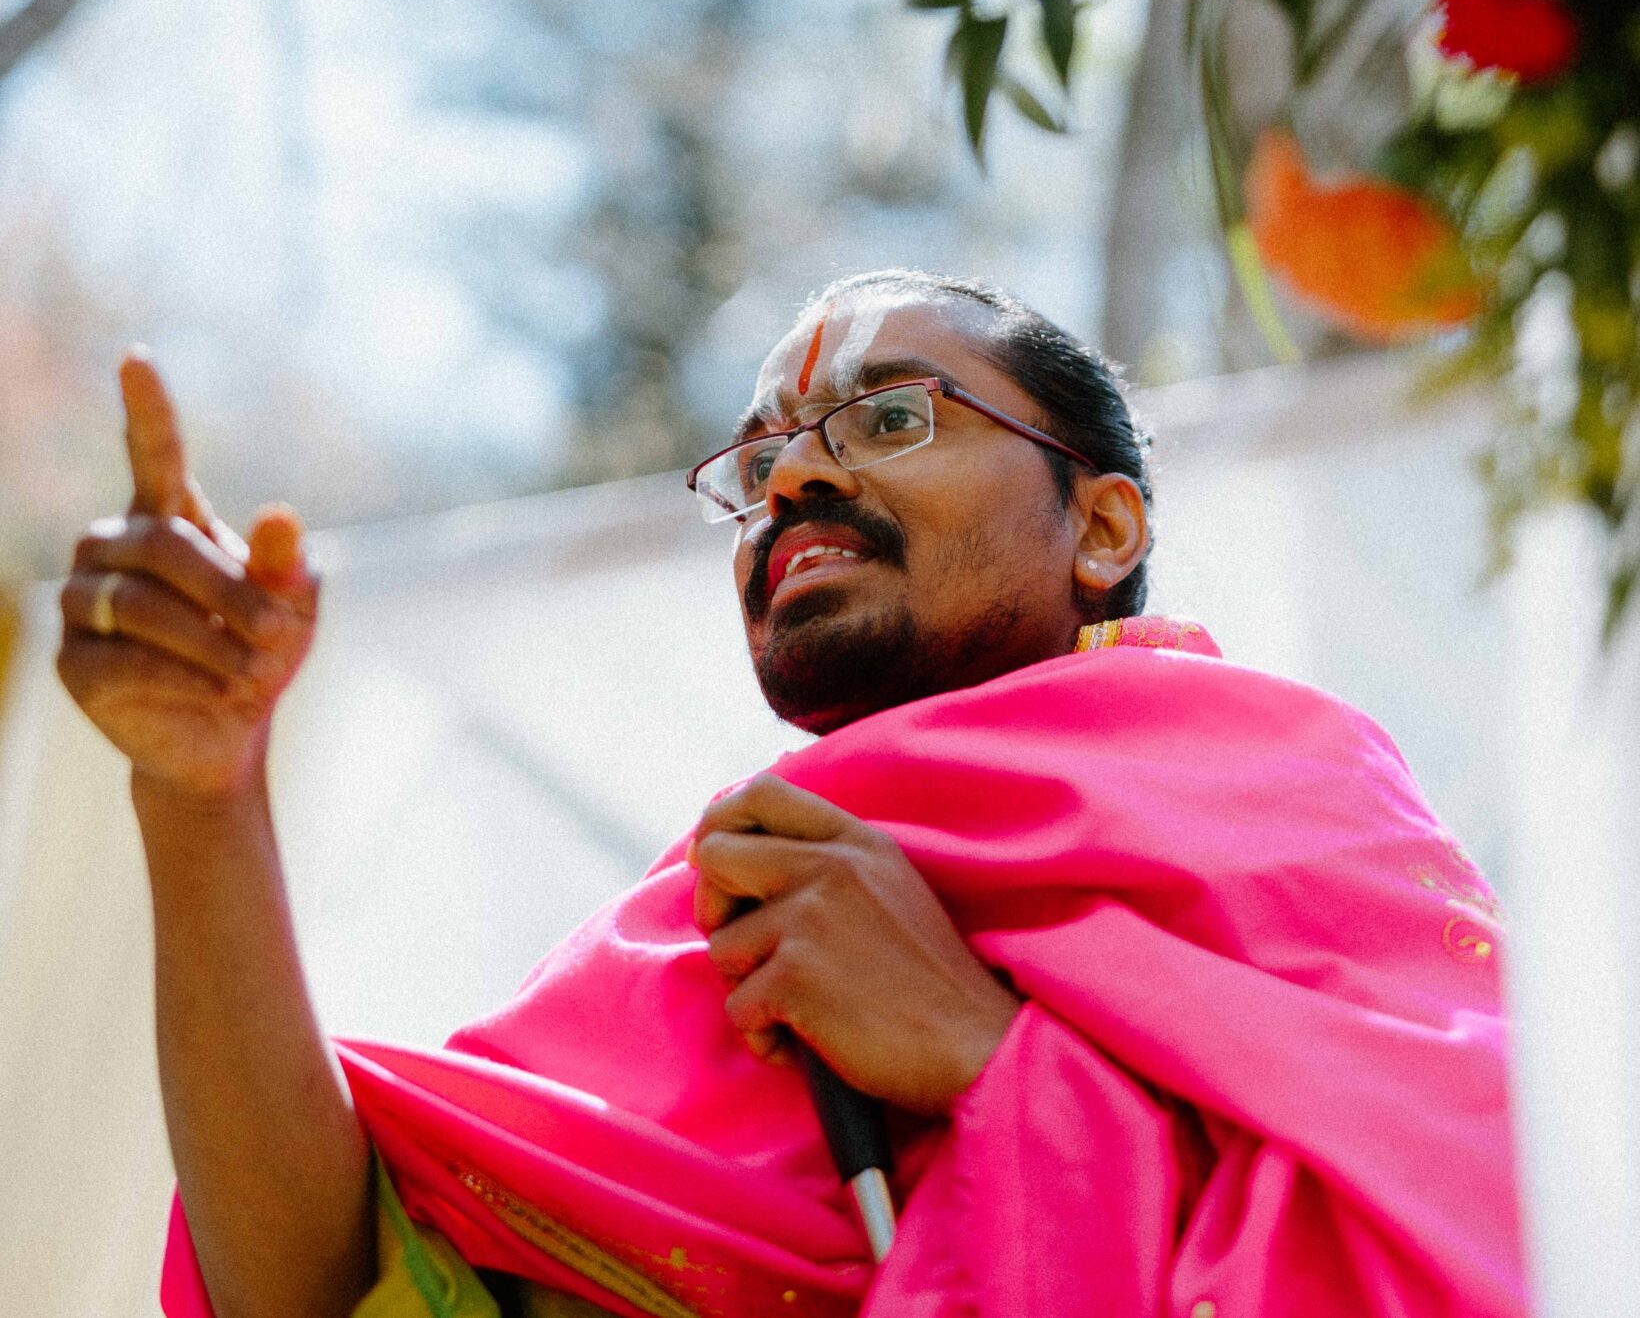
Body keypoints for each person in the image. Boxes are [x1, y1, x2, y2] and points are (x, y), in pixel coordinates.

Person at [58, 269, 1525, 1318]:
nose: (798, 477)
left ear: (1103, 518)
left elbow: (1486, 1246)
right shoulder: (711, 910)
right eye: (762, 459)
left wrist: (987, 1062)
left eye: (887, 417)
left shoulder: (1284, 800)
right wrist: (201, 795)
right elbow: (316, 1290)